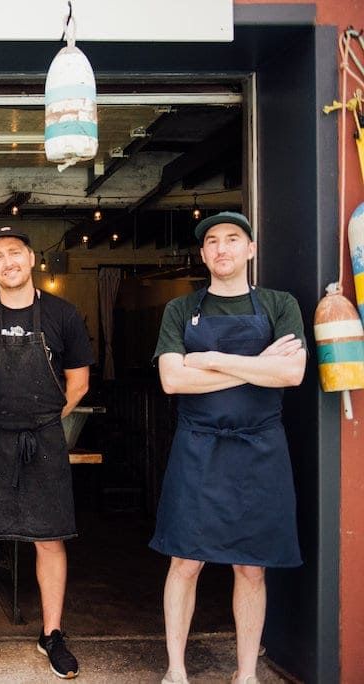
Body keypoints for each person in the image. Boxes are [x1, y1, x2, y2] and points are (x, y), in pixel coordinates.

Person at [151, 211, 306, 684]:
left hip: (260, 450)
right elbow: (173, 380)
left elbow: (291, 374)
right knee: (185, 561)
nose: (222, 248)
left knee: (251, 568)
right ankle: (176, 670)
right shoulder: (181, 310)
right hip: (197, 449)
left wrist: (215, 359)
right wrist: (257, 365)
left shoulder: (280, 304)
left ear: (250, 249)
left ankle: (246, 673)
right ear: (203, 255)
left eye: (232, 239)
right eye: (212, 241)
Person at [0, 225, 94, 682]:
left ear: (31, 260)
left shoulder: (64, 315)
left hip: (44, 438)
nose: (7, 262)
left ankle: (52, 633)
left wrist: (47, 419)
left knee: (50, 539)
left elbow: (79, 382)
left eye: (14, 253)